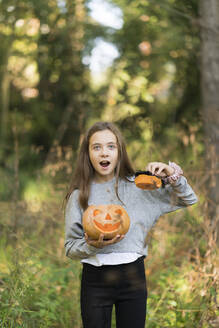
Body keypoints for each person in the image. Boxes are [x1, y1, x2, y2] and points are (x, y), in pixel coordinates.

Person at [64, 121, 198, 328]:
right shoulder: (80, 195)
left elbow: (189, 199)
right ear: (88, 153)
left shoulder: (141, 186)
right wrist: (92, 245)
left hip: (133, 278)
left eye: (111, 146)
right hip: (95, 280)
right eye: (96, 147)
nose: (104, 153)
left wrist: (172, 175)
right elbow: (70, 248)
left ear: (119, 151)